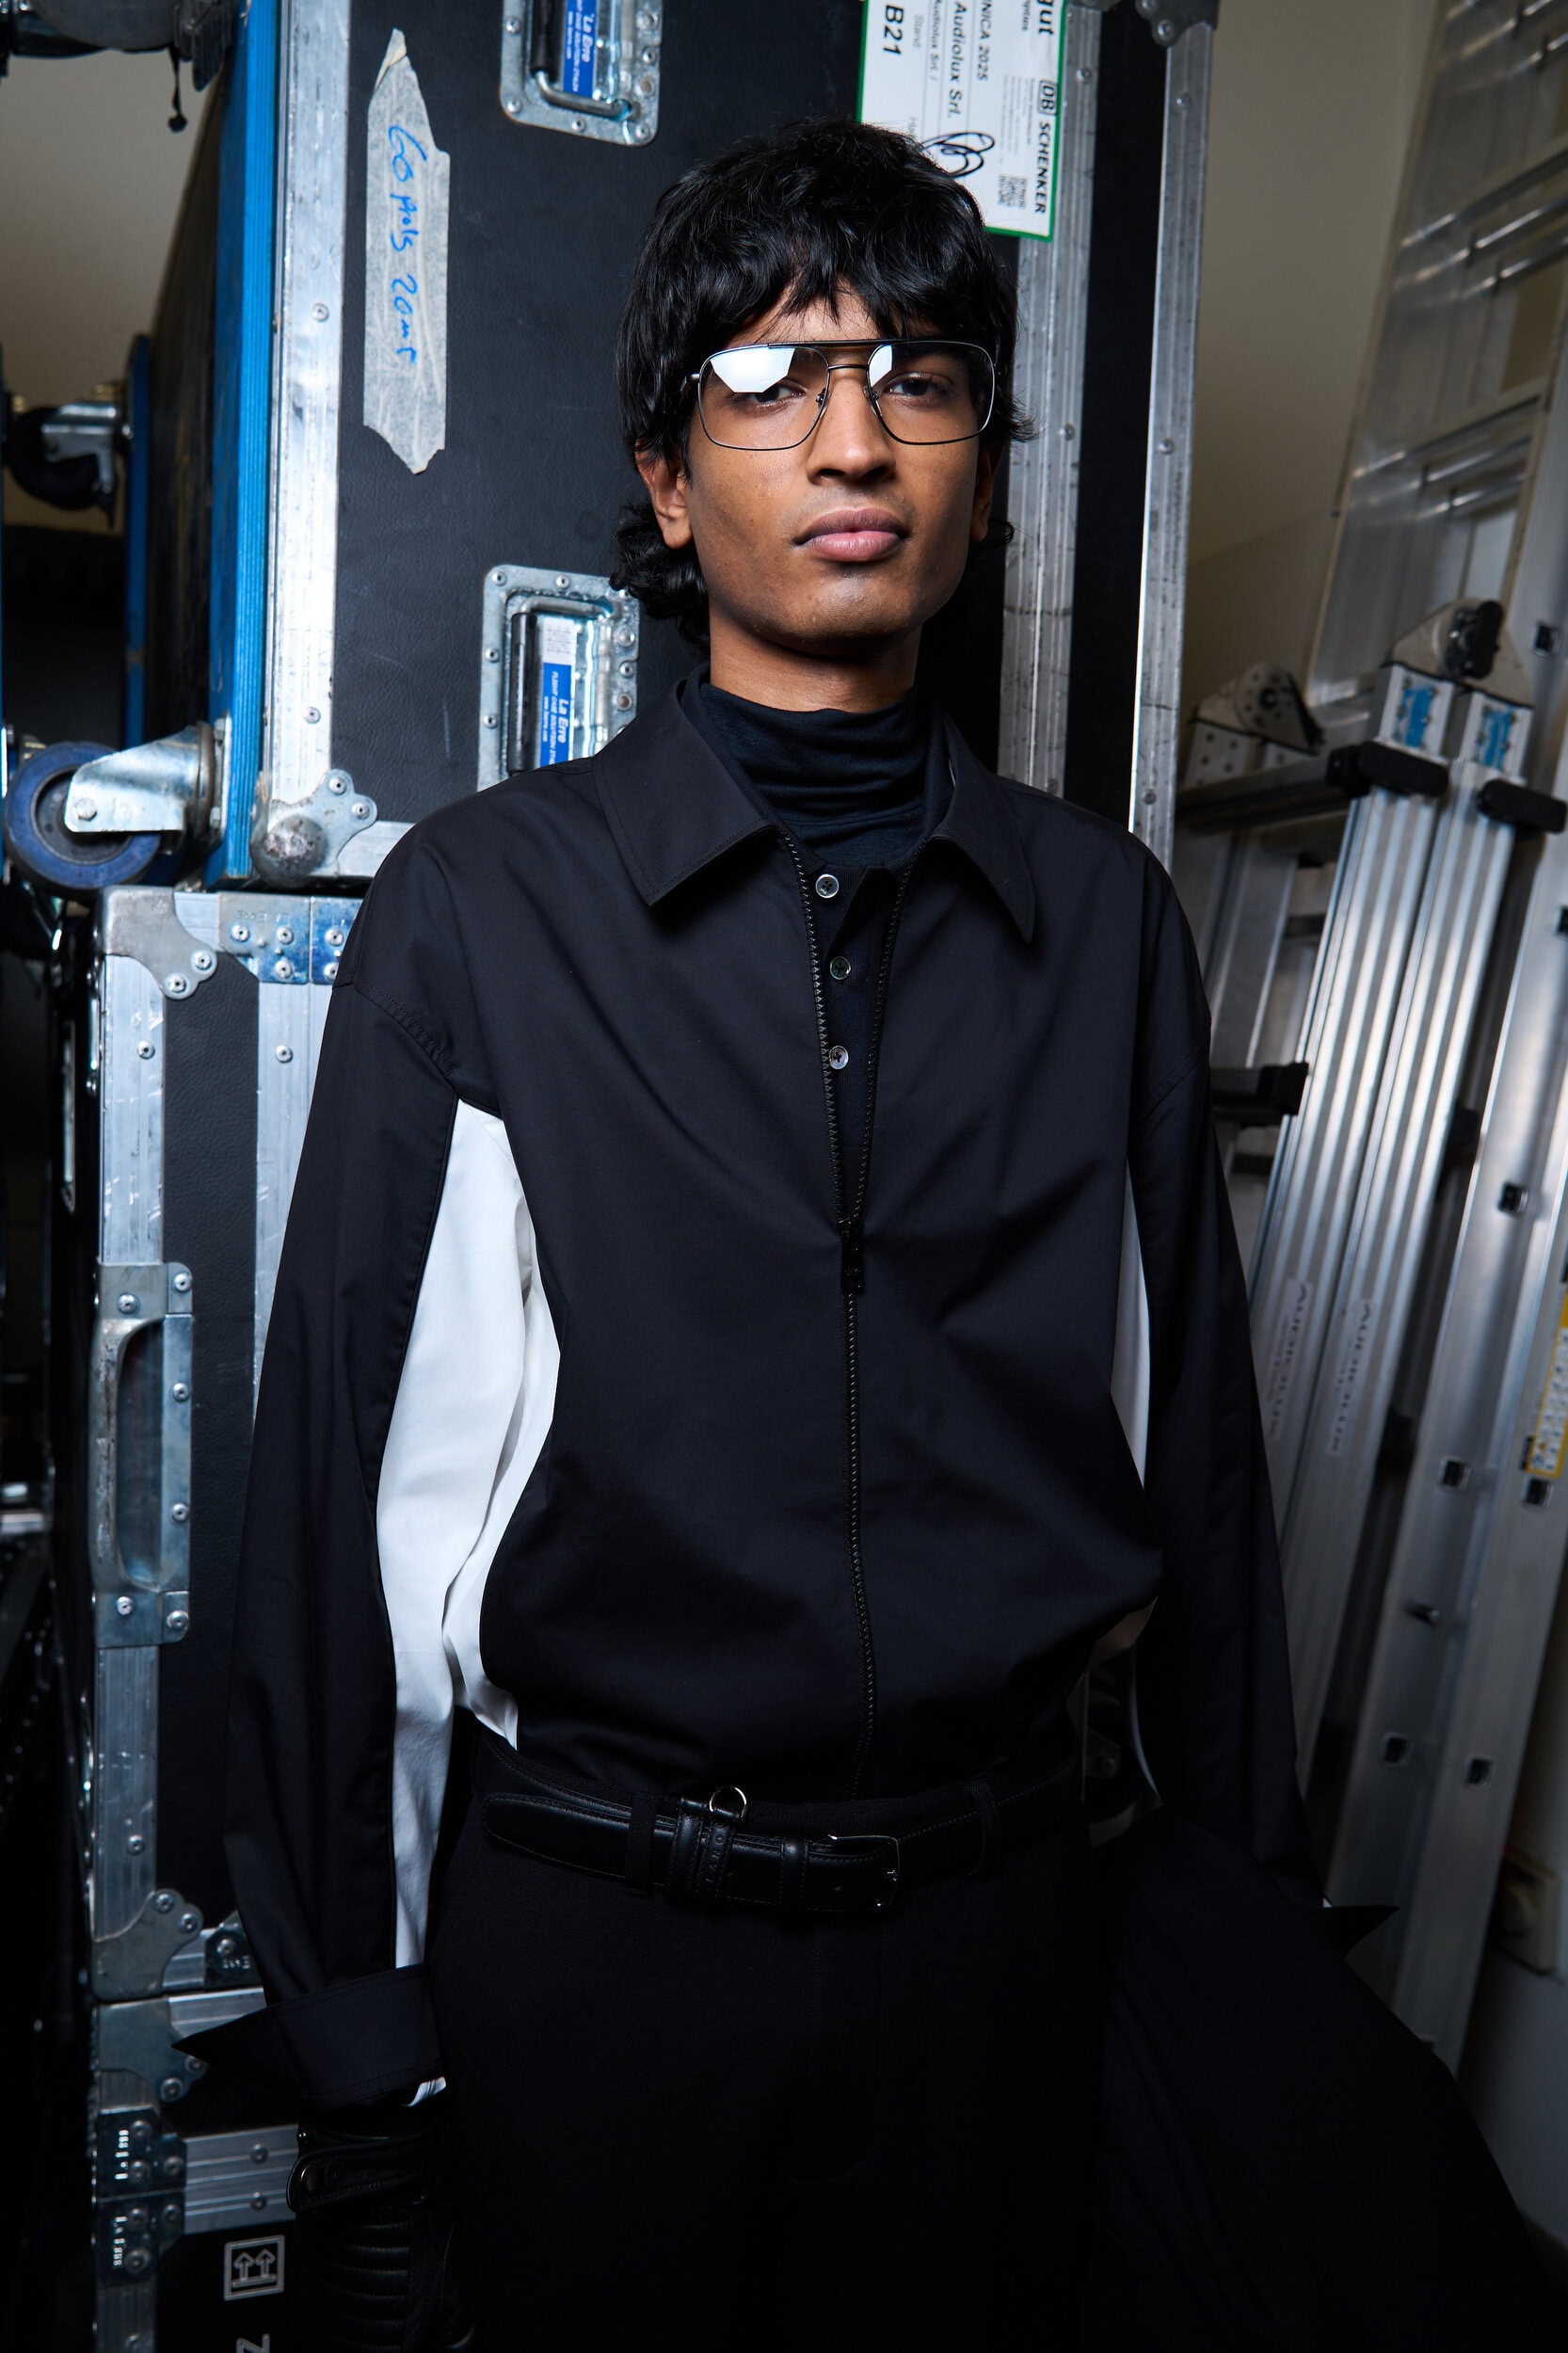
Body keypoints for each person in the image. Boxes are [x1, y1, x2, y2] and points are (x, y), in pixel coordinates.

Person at [200, 118, 1550, 2351]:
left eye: (919, 377)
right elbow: (337, 1496)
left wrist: (1234, 1917)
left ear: (982, 475)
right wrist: (363, 2044)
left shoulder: (1098, 923)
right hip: (599, 1949)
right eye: (770, 376)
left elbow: (1198, 1473)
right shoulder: (487, 913)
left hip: (999, 1956)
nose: (852, 437)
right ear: (665, 481)